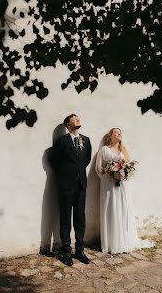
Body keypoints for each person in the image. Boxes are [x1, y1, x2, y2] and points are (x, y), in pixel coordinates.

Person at [95, 128, 154, 254]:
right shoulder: (104, 150)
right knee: (111, 210)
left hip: (123, 186)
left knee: (123, 210)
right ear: (110, 136)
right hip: (109, 186)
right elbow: (98, 169)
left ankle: (124, 240)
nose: (118, 133)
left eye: (119, 132)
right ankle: (112, 243)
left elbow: (127, 166)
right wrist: (110, 173)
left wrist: (124, 173)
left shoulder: (124, 150)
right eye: (115, 132)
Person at [52, 114, 92, 266]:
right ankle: (66, 252)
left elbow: (86, 159)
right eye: (74, 119)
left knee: (80, 219)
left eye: (78, 118)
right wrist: (66, 175)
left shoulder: (86, 140)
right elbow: (54, 161)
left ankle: (80, 251)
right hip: (66, 186)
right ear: (68, 124)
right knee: (65, 219)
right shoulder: (61, 141)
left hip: (81, 185)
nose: (77, 120)